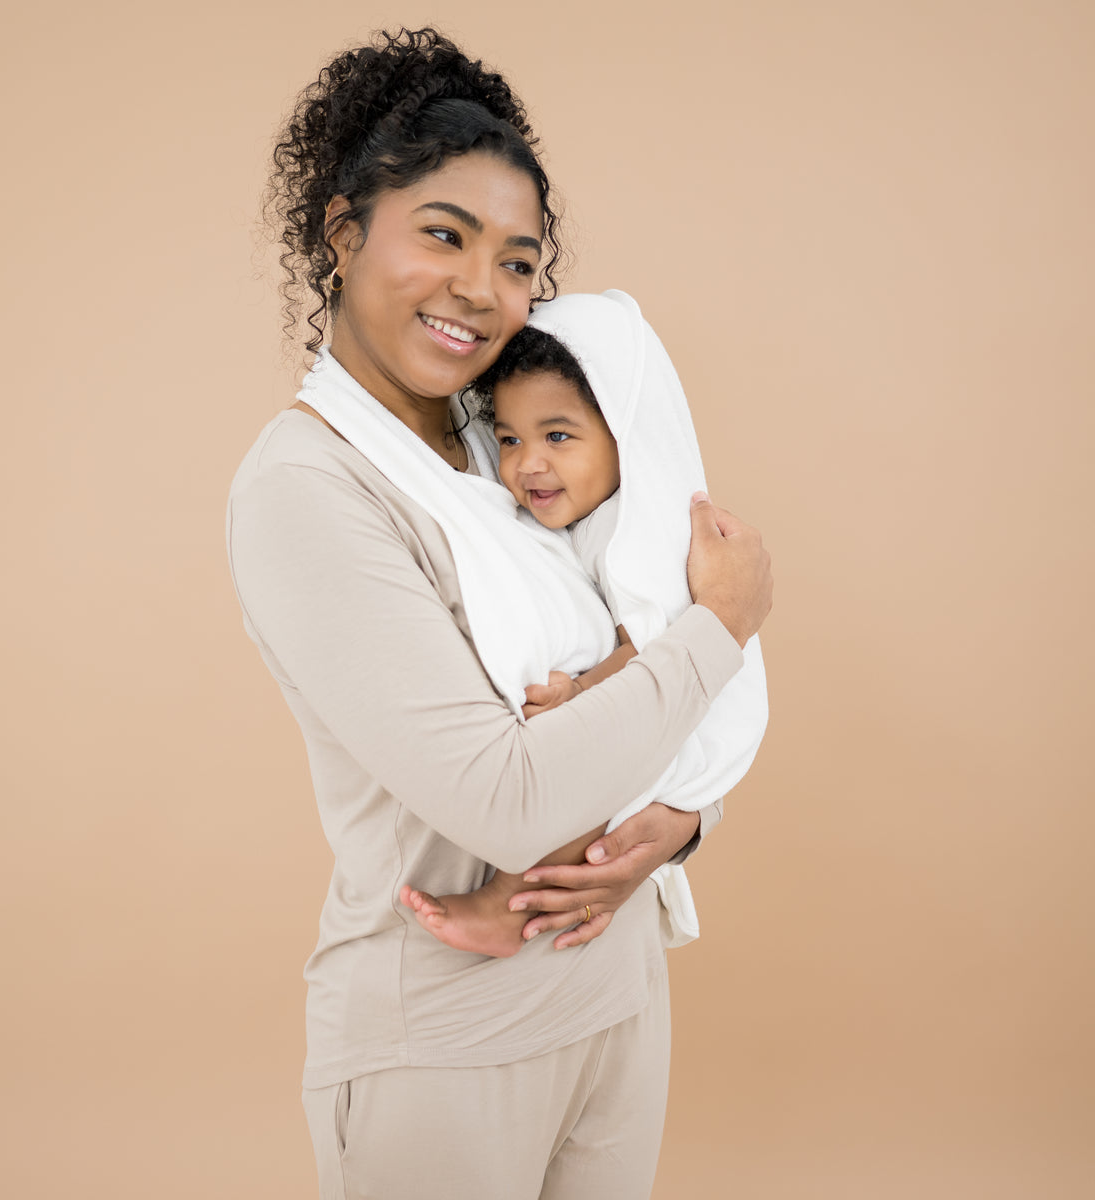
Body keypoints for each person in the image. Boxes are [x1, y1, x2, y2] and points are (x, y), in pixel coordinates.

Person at [227, 27, 772, 1200]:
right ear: (340, 230)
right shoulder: (308, 490)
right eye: (443, 235)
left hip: (612, 989)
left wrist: (673, 829)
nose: (482, 288)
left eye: (519, 261)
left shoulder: (511, 436)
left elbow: (639, 628)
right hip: (447, 1039)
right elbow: (504, 793)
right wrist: (720, 629)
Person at [399, 294, 769, 960]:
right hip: (667, 710)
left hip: (694, 723)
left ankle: (505, 907)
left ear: (623, 436)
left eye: (558, 436)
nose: (527, 463)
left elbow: (651, 646)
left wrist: (579, 693)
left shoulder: (642, 531)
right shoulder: (584, 521)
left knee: (598, 791)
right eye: (509, 439)